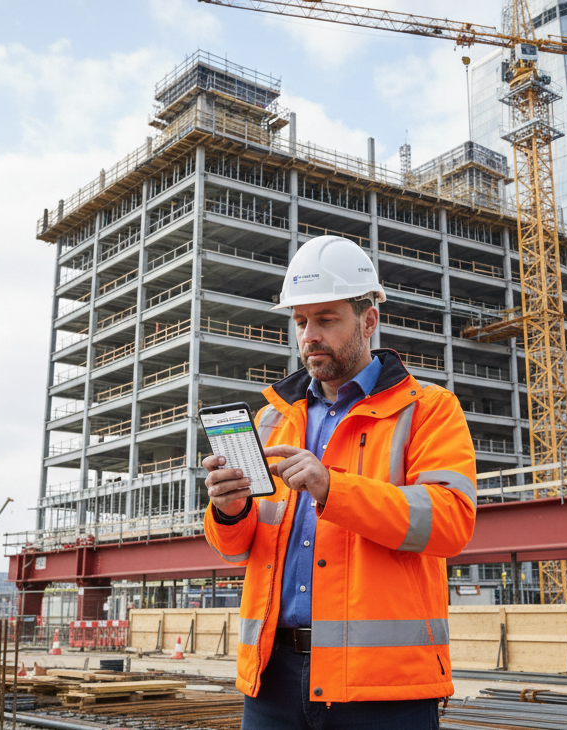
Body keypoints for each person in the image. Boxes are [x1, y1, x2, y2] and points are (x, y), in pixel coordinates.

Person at [203, 235, 477, 729]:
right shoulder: (271, 420)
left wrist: (334, 489)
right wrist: (229, 511)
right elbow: (240, 550)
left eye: (326, 319)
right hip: (272, 677)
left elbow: (450, 523)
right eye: (302, 321)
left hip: (382, 685)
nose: (310, 335)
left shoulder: (428, 410)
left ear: (368, 320)